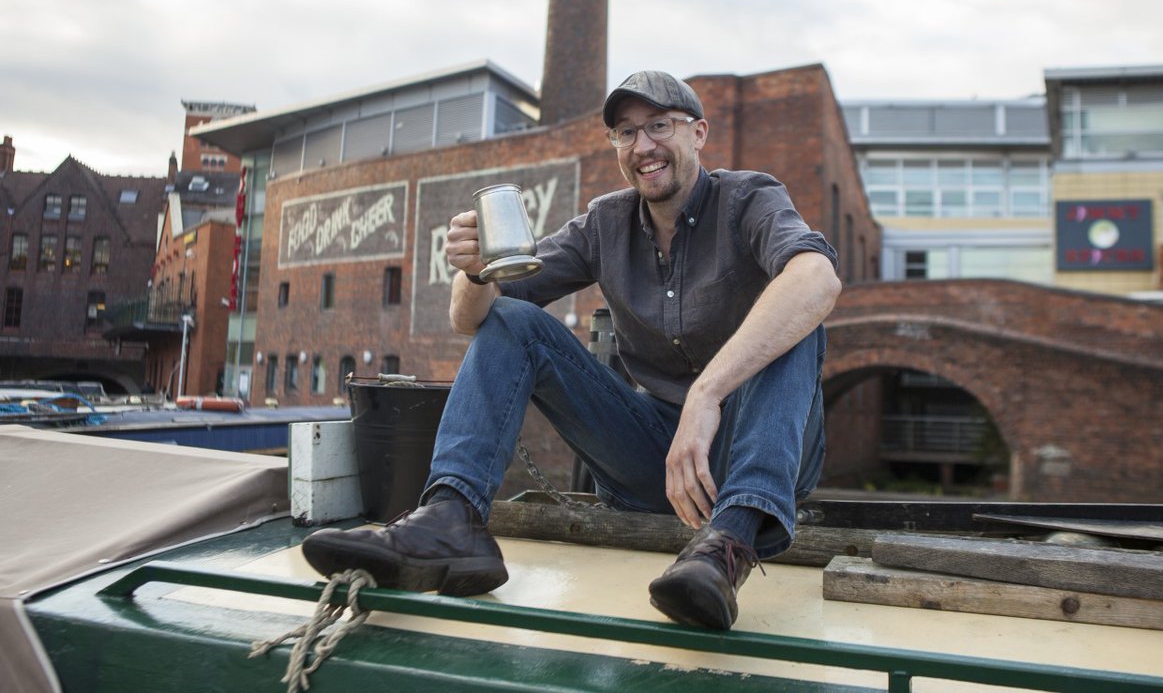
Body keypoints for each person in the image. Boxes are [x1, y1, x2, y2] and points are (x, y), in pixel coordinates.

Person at [303, 70, 841, 630]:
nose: (643, 146)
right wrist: (474, 270)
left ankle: (725, 549)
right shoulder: (604, 223)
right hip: (654, 459)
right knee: (514, 319)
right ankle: (451, 517)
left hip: (763, 451)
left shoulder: (749, 198)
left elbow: (818, 280)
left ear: (698, 133)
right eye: (626, 133)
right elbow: (475, 320)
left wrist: (708, 393)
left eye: (659, 126)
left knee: (795, 318)